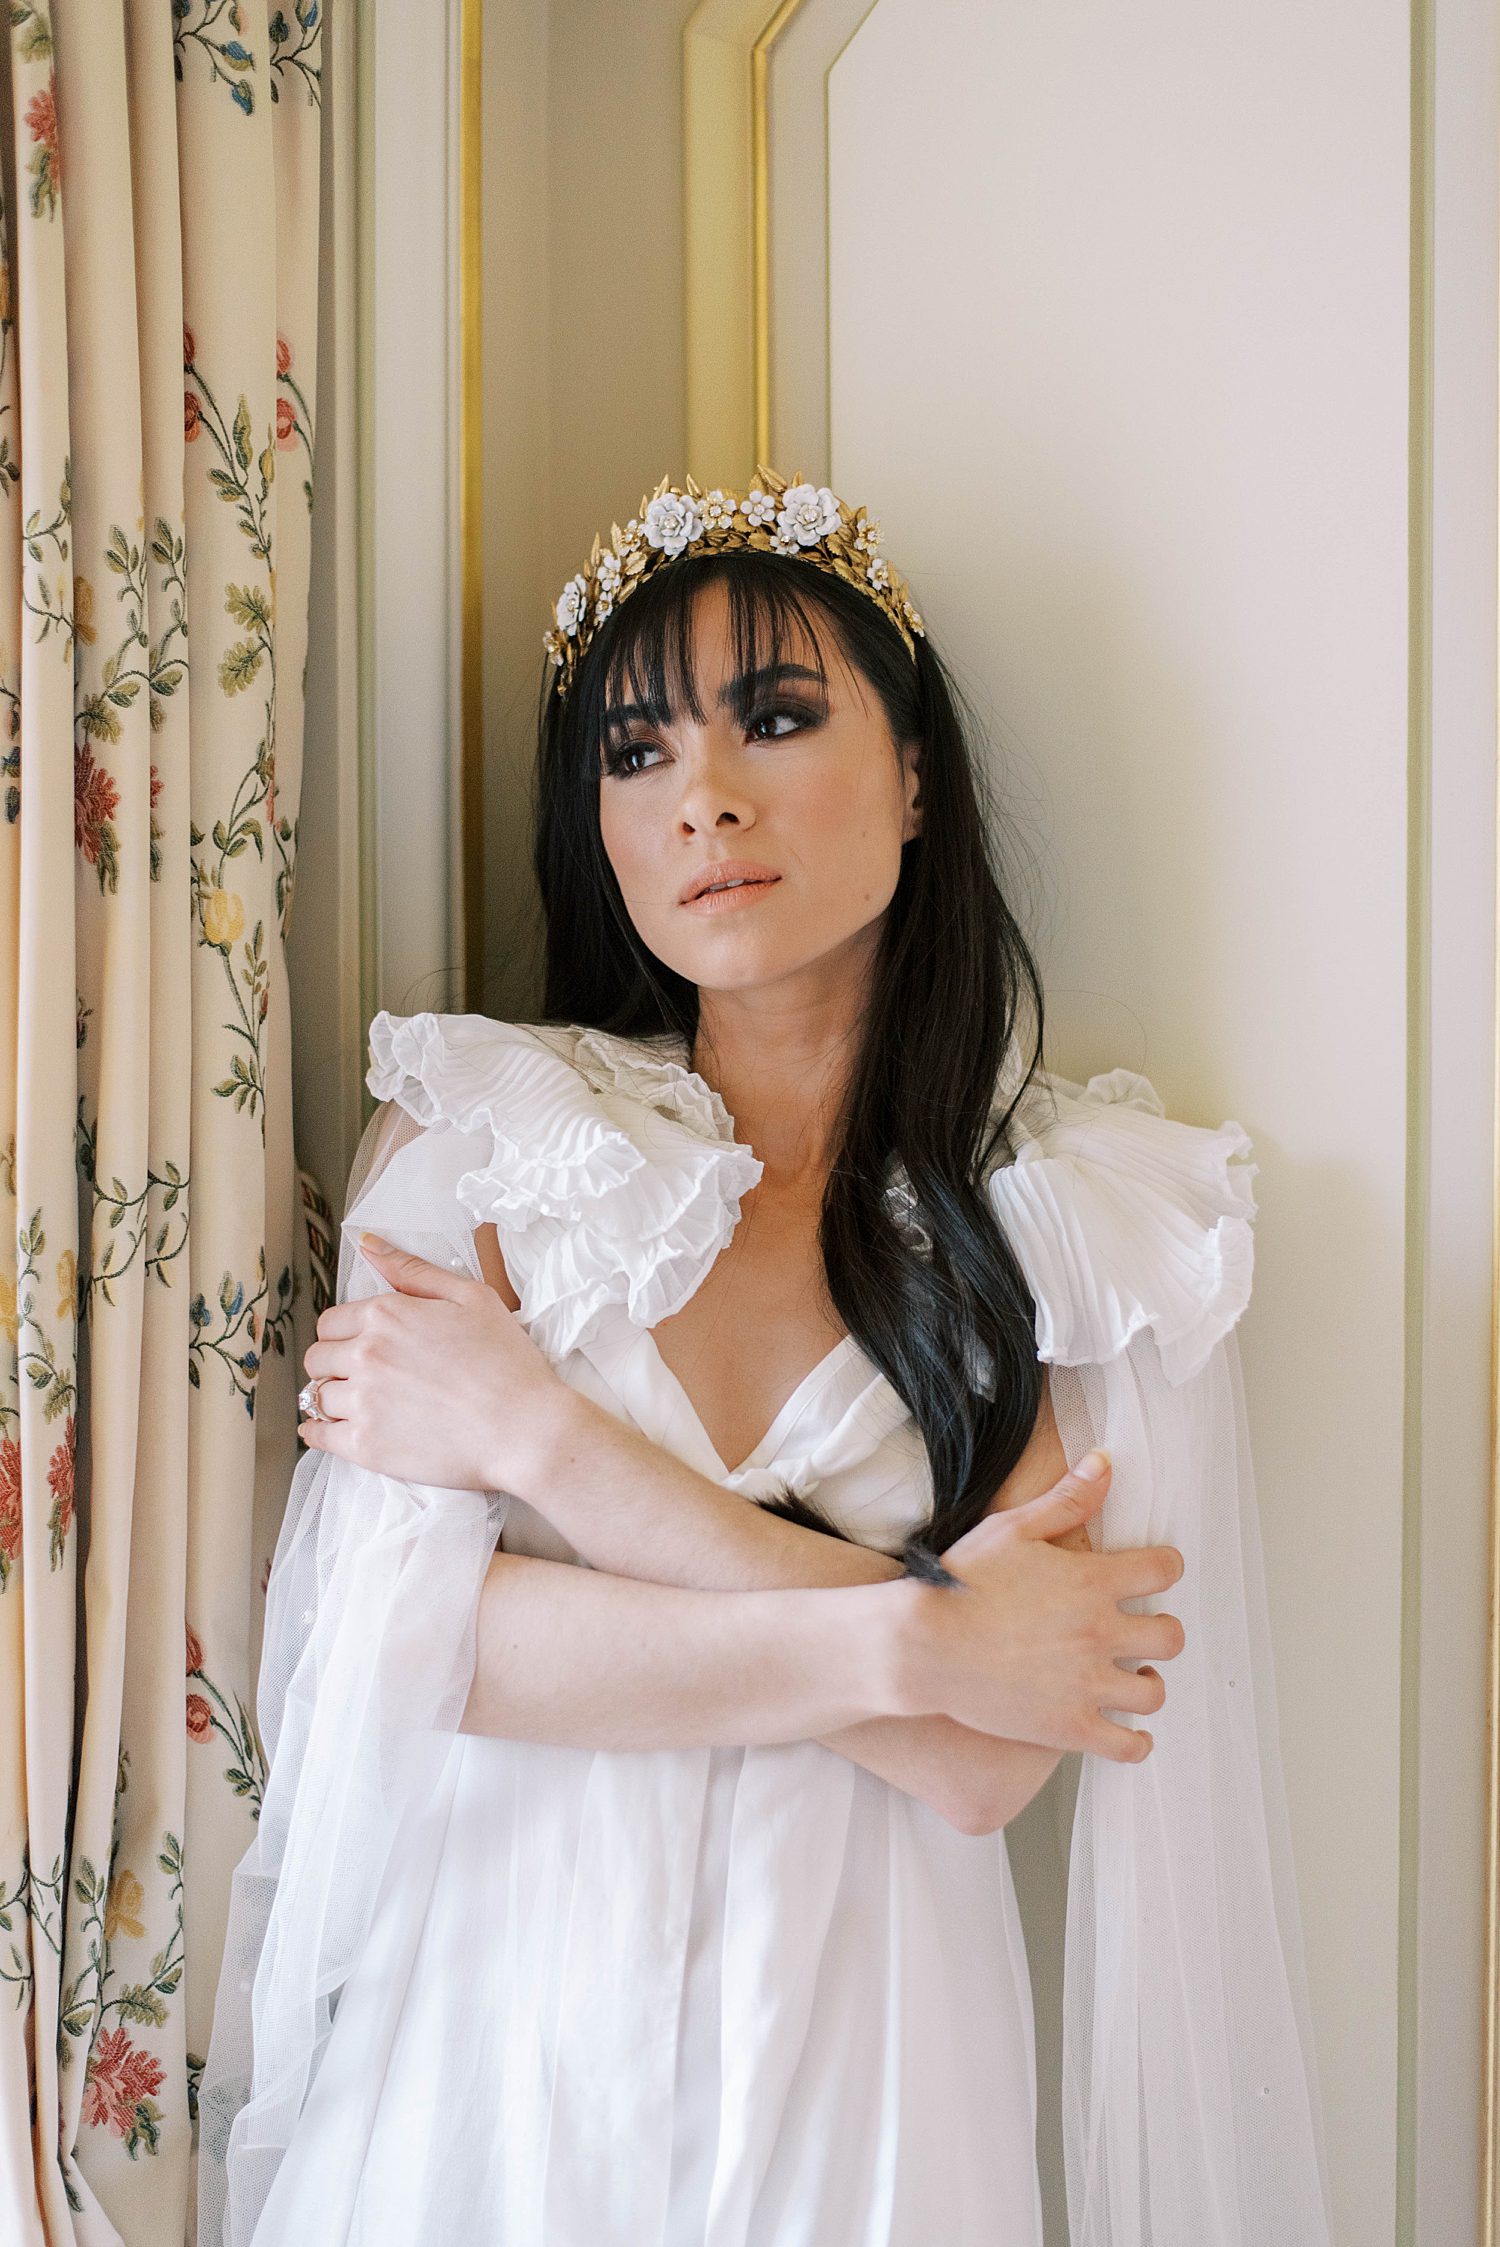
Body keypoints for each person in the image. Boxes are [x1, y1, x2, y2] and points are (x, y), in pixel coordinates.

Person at [196, 469, 1334, 2245]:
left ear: (914, 779)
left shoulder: (1061, 1229)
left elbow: (983, 1761)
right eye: (634, 754)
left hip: (867, 2095)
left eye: (778, 719)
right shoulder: (489, 1153)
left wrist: (550, 1454)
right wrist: (908, 1630)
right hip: (496, 2067)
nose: (702, 796)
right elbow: (418, 1652)